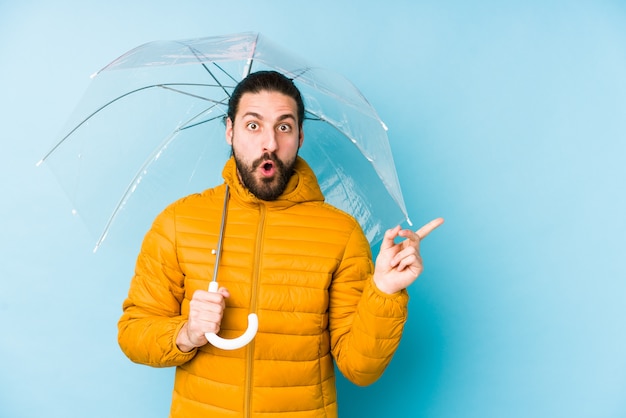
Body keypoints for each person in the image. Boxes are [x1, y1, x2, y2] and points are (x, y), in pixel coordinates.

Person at [118, 70, 443, 417]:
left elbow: (360, 368)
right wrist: (187, 333)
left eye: (284, 127)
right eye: (253, 125)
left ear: (300, 137)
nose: (269, 143)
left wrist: (384, 291)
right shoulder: (178, 222)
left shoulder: (341, 233)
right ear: (230, 131)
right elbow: (133, 333)